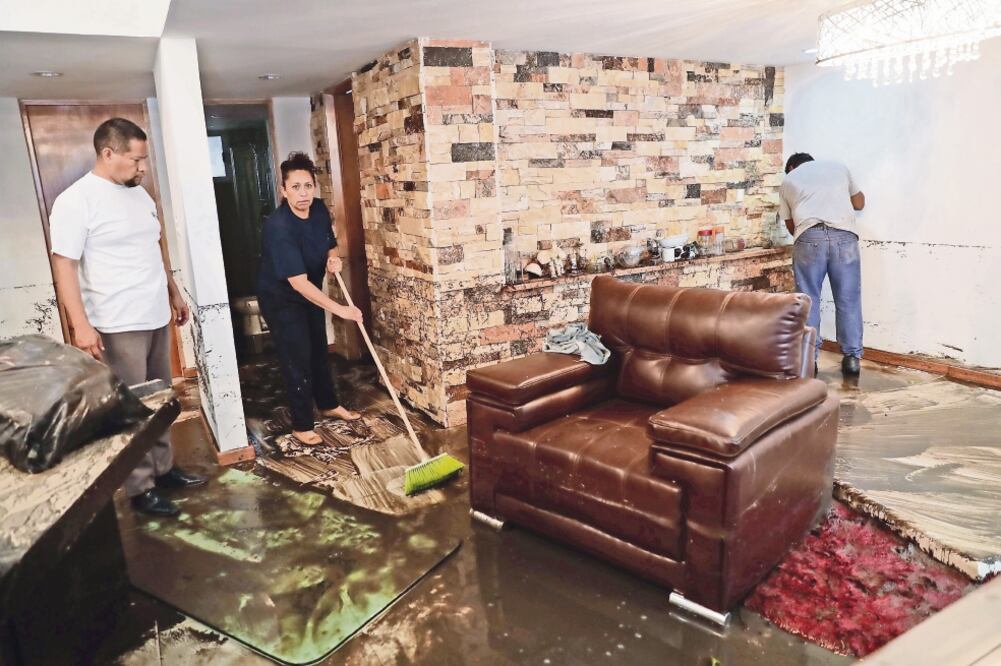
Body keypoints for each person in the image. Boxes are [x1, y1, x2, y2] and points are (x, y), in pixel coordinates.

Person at [49, 117, 206, 517]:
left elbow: (156, 247)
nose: (142, 168)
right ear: (108, 153)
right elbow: (64, 264)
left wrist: (173, 292)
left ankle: (164, 468)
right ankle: (140, 489)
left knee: (160, 399)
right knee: (132, 406)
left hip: (155, 314)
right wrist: (81, 326)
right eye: (136, 160)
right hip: (117, 322)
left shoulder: (140, 196)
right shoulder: (76, 201)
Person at [257, 152, 364, 445]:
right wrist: (340, 309)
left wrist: (334, 260)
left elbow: (330, 243)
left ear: (314, 187)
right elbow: (298, 283)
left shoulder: (317, 209)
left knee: (318, 349)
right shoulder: (279, 227)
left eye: (307, 186)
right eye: (295, 187)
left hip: (310, 291)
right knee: (297, 357)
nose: (303, 193)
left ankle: (329, 404)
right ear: (283, 191)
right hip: (282, 299)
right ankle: (302, 425)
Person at [779, 153, 867, 376]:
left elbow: (792, 227)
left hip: (809, 238)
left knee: (808, 300)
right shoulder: (838, 166)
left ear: (791, 167)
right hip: (844, 237)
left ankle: (810, 360)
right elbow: (859, 203)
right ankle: (852, 358)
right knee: (848, 300)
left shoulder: (789, 181)